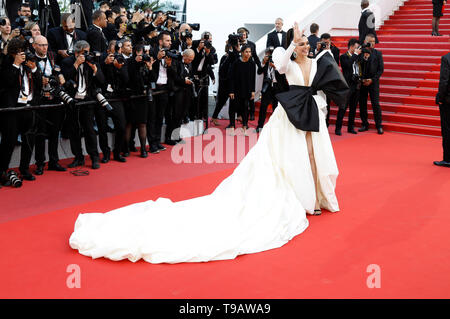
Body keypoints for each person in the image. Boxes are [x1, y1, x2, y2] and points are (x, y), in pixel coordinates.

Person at [69, 22, 349, 264]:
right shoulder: (282, 54)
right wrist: (291, 44)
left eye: (306, 43)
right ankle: (301, 199)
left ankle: (316, 196)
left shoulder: (316, 61)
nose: (306, 47)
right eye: (301, 43)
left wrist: (321, 104)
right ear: (293, 44)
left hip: (310, 114)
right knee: (287, 160)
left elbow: (321, 86)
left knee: (312, 155)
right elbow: (283, 65)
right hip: (287, 117)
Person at [0, 37, 42, 183]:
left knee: (29, 140)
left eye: (24, 51)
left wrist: (35, 68)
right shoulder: (6, 63)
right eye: (19, 52)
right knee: (8, 142)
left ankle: (24, 169)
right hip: (12, 109)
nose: (23, 54)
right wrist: (16, 64)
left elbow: (39, 84)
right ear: (13, 53)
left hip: (29, 106)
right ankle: (2, 172)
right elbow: (6, 82)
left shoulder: (28, 63)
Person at [60, 40, 105, 169]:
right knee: (74, 131)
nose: (86, 54)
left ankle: (94, 157)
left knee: (90, 130)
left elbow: (102, 81)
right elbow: (65, 80)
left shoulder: (91, 61)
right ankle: (78, 158)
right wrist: (76, 64)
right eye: (84, 52)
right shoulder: (67, 62)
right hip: (72, 101)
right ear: (76, 52)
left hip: (87, 100)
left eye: (88, 52)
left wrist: (95, 70)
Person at [32, 35, 67, 174]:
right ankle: (40, 163)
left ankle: (54, 161)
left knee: (54, 132)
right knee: (40, 133)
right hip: (40, 100)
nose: (44, 48)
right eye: (41, 45)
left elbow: (57, 72)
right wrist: (40, 81)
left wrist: (59, 77)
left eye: (46, 45)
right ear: (34, 45)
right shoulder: (31, 59)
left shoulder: (52, 56)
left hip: (54, 99)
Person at [255, 46, 289, 133]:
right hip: (267, 87)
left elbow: (284, 75)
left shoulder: (280, 63)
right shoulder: (265, 62)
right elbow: (259, 72)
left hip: (278, 87)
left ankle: (276, 127)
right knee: (263, 107)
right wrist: (263, 62)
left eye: (271, 55)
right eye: (268, 55)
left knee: (276, 107)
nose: (270, 57)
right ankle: (260, 126)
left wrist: (275, 67)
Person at [358, 33, 384, 134]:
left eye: (373, 42)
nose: (372, 44)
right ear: (365, 42)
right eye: (370, 42)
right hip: (363, 82)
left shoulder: (378, 54)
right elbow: (358, 65)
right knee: (362, 104)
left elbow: (380, 70)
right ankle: (365, 124)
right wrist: (365, 58)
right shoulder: (360, 53)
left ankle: (379, 125)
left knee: (376, 104)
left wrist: (372, 80)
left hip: (373, 83)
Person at [335, 38, 361, 135]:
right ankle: (338, 128)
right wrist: (355, 55)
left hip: (356, 85)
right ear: (351, 47)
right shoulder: (344, 57)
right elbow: (348, 65)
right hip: (347, 85)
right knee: (343, 107)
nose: (358, 49)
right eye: (356, 47)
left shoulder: (357, 57)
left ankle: (351, 127)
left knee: (353, 108)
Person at [228, 44, 255, 135]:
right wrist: (231, 90)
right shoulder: (236, 63)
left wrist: (253, 90)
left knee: (245, 108)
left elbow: (253, 78)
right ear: (242, 52)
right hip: (235, 90)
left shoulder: (252, 64)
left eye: (250, 52)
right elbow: (231, 78)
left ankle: (244, 127)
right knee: (233, 107)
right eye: (246, 52)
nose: (248, 54)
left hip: (247, 89)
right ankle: (232, 126)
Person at [434, 52, 450, 167]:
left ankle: (448, 159)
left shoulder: (446, 58)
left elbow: (444, 80)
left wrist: (440, 97)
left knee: (447, 129)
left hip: (448, 100)